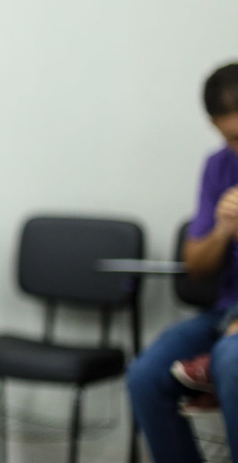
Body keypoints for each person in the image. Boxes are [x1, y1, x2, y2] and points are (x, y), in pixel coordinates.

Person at [127, 61, 238, 461]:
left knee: (232, 360)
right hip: (225, 313)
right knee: (144, 376)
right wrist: (225, 229)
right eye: (233, 137)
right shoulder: (218, 166)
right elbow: (197, 266)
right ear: (213, 125)